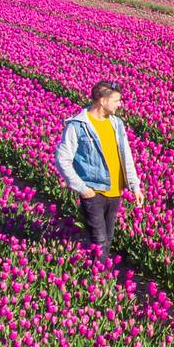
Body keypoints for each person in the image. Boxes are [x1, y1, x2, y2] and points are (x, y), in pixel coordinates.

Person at [54, 80, 144, 251]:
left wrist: (135, 186)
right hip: (93, 191)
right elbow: (62, 158)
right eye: (117, 100)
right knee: (100, 239)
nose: (120, 104)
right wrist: (81, 188)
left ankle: (96, 270)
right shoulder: (78, 125)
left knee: (108, 237)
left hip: (115, 190)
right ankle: (97, 274)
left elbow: (126, 156)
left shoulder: (116, 123)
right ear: (103, 100)